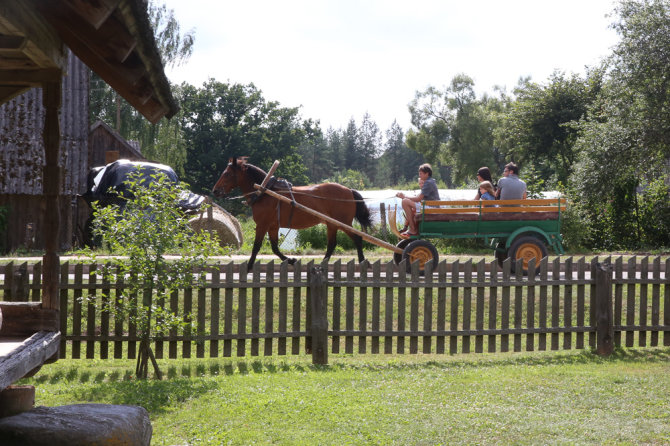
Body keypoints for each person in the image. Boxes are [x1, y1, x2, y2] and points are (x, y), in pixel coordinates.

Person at [396, 163, 439, 237]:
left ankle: (413, 229)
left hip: (431, 208)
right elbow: (418, 198)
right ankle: (411, 228)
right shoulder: (430, 181)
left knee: (405, 201)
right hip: (429, 207)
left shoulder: (428, 183)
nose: (419, 175)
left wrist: (404, 196)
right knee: (406, 201)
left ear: (427, 174)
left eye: (421, 173)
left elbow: (418, 198)